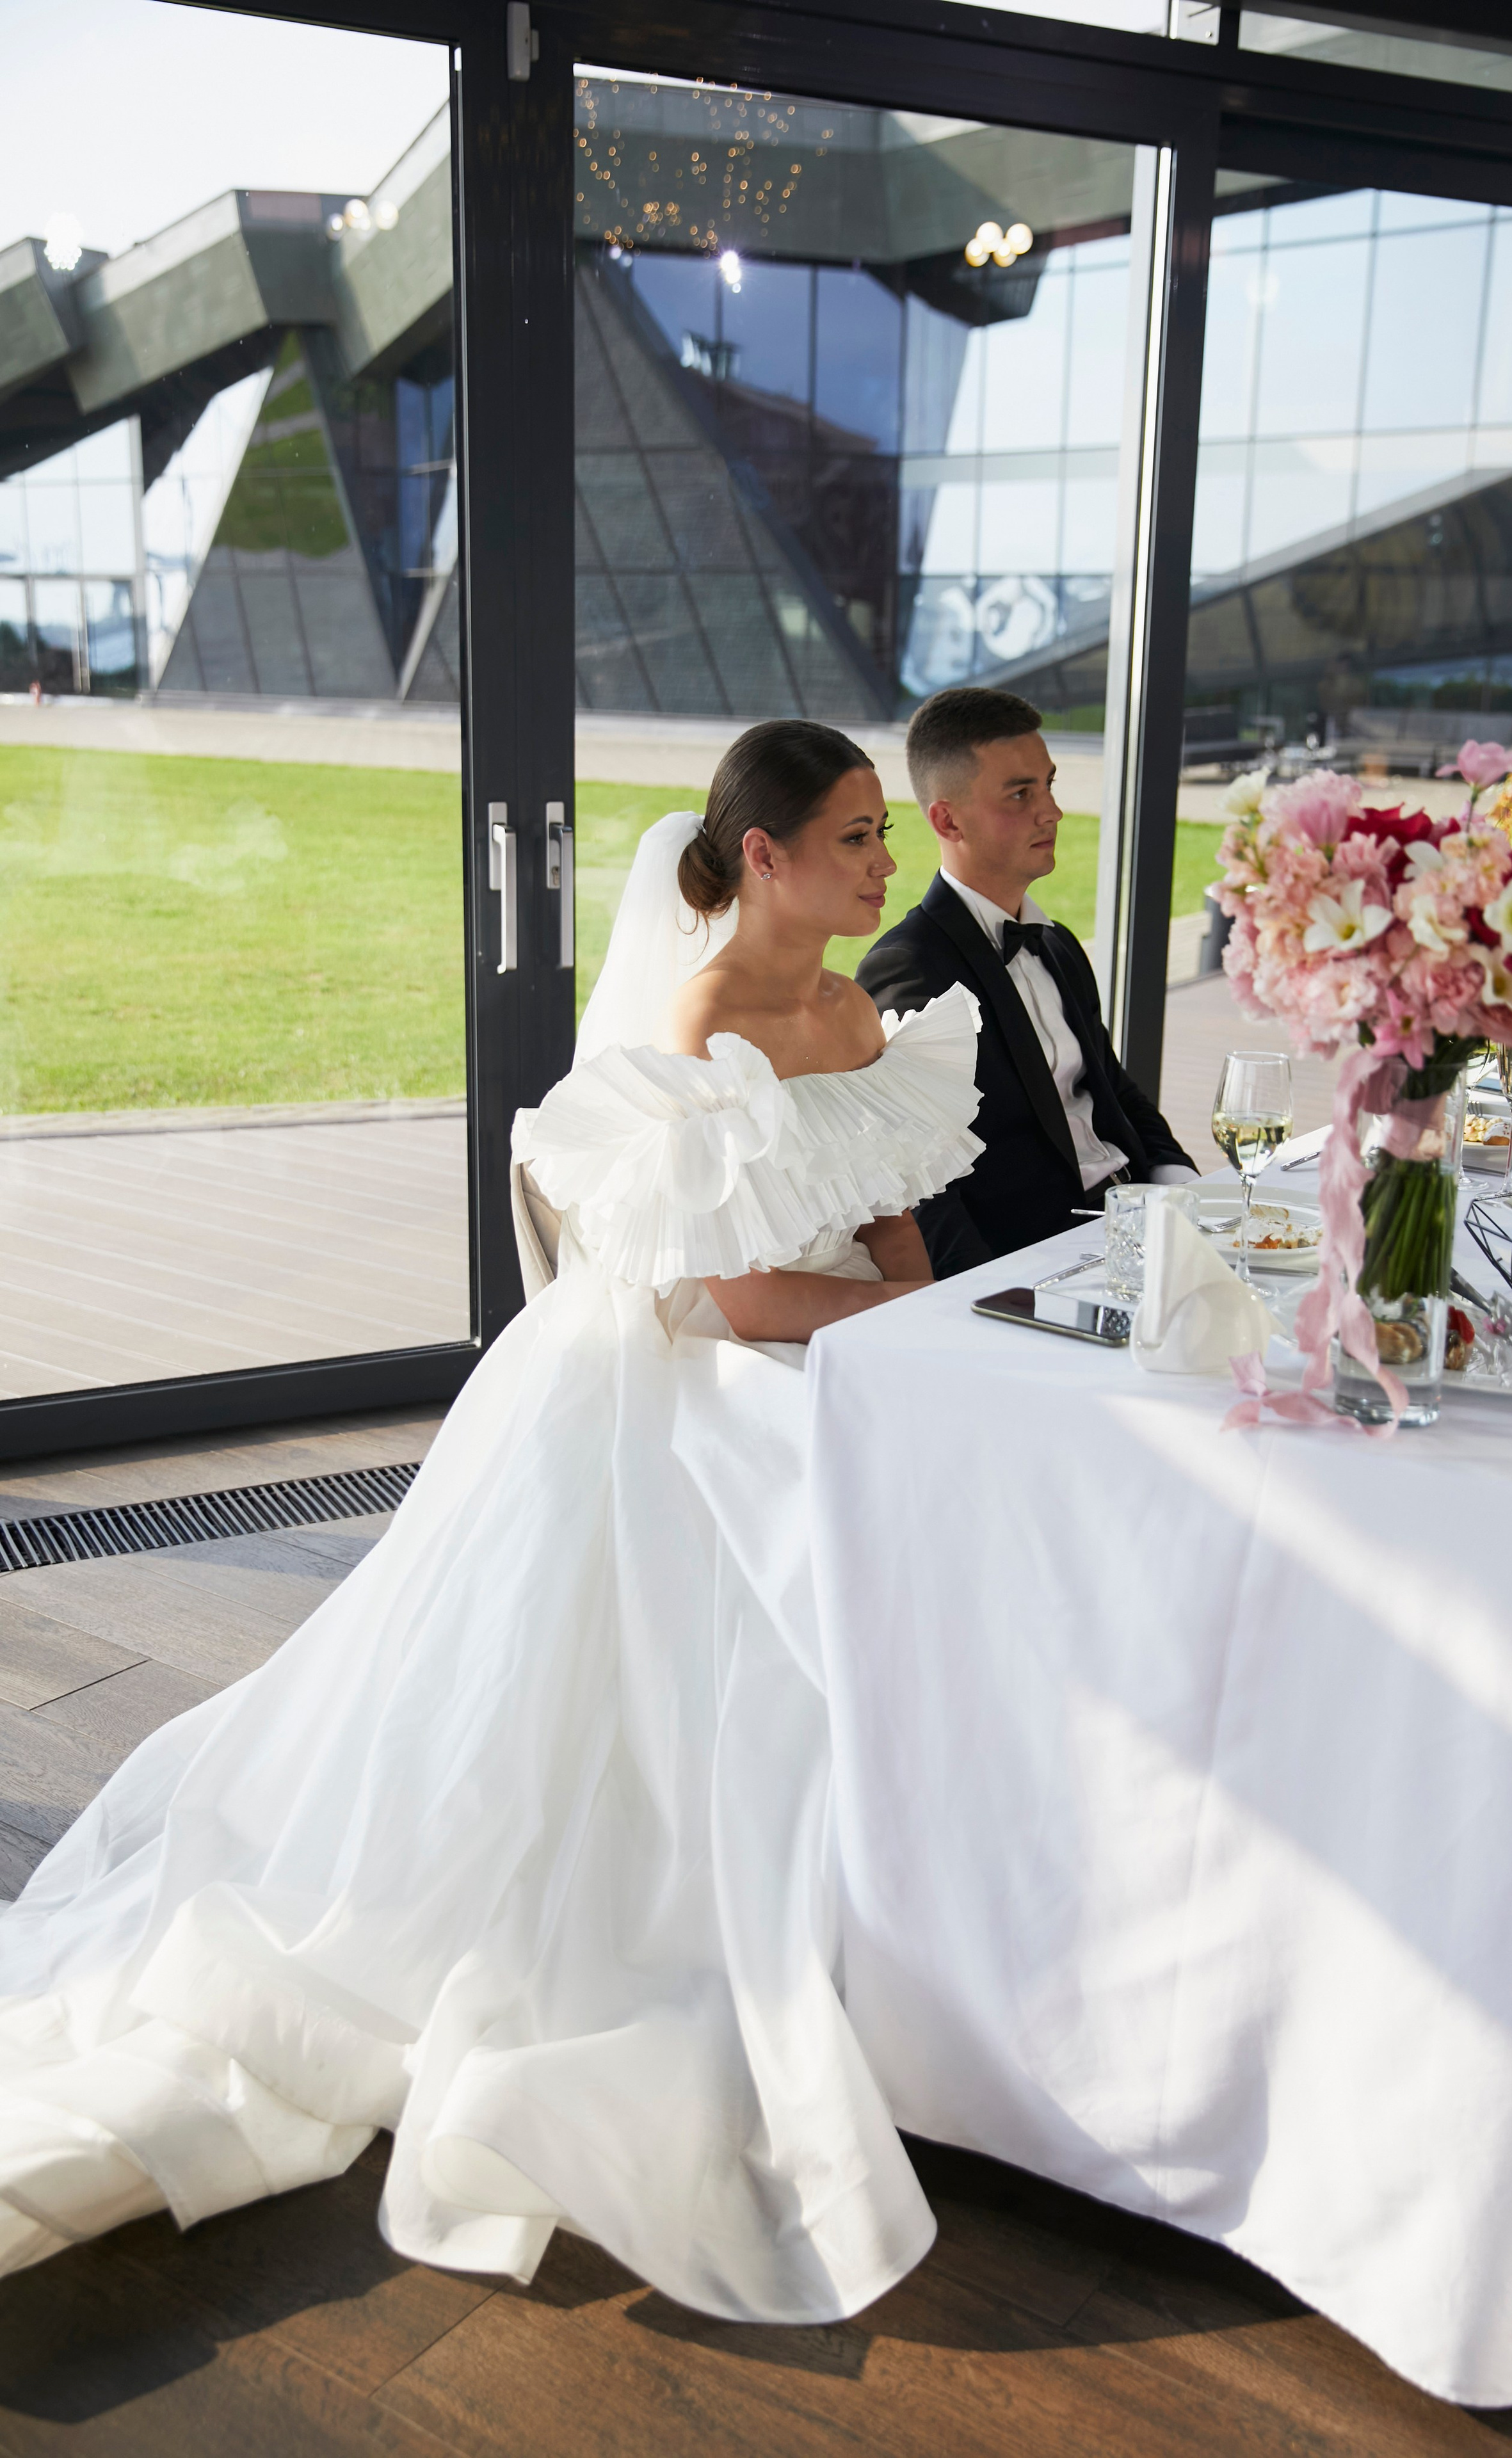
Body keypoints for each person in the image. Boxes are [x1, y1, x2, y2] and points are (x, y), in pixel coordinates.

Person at [0, 721, 983, 2324]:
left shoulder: (856, 1004)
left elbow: (890, 1205)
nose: (884, 864)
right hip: (688, 1366)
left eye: (883, 832)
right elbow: (718, 1287)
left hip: (816, 1344)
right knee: (788, 1525)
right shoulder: (703, 1018)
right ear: (764, 855)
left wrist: (916, 1328)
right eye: (858, 835)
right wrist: (874, 1333)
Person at [857, 686, 1196, 1278]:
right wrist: (981, 1297)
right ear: (947, 819)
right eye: (1021, 793)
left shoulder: (1057, 943)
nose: (1053, 812)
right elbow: (918, 1179)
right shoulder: (908, 967)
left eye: (1049, 785)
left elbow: (1112, 1087)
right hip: (1042, 1261)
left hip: (1143, 1219)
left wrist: (1179, 1181)